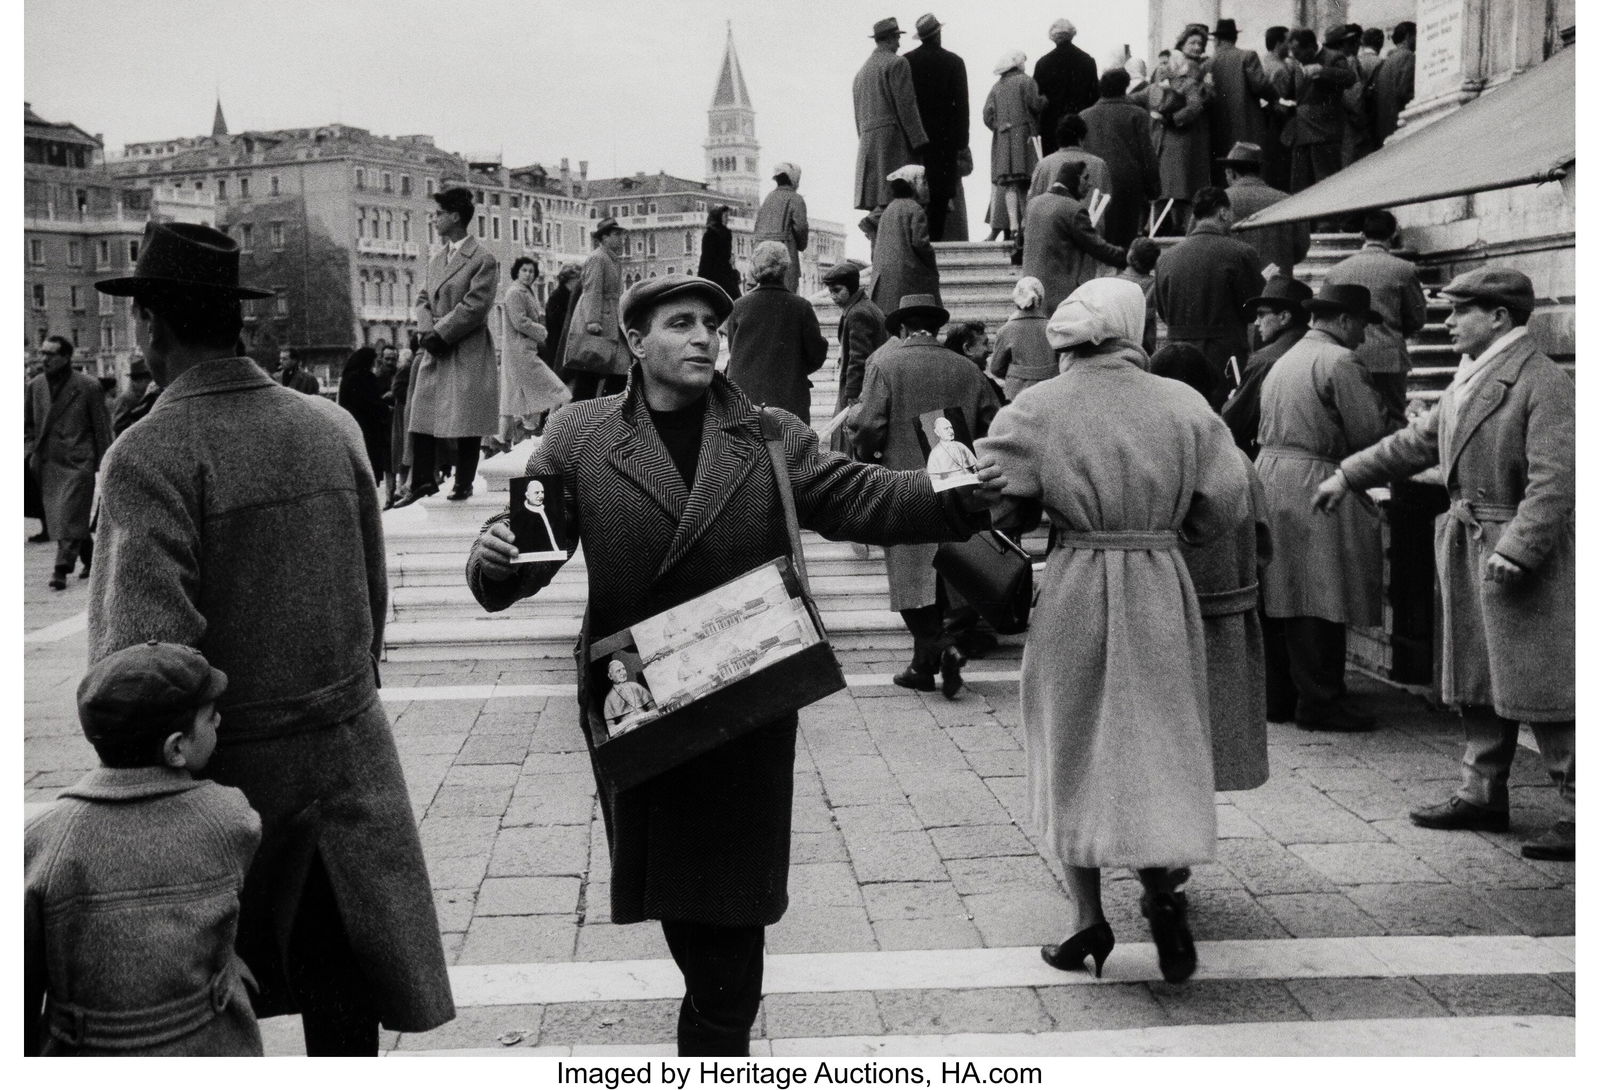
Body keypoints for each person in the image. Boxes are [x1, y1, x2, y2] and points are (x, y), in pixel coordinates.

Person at [466, 273, 1001, 1056]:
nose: (702, 337)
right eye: (679, 323)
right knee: (690, 917)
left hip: (747, 700)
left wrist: (953, 488)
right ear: (636, 341)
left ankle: (714, 1051)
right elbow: (532, 554)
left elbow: (864, 497)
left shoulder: (766, 430)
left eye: (712, 323)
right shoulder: (578, 434)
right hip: (641, 701)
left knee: (733, 927)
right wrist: (497, 555)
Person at [89, 220, 455, 1055]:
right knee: (344, 1000)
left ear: (150, 325)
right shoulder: (332, 429)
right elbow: (373, 601)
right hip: (347, 764)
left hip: (229, 789)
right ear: (236, 321)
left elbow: (145, 670)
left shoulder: (149, 455)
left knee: (205, 1017)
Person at [979, 277, 1250, 986]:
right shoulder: (1184, 404)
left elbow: (998, 507)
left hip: (1076, 582)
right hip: (1160, 579)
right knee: (1156, 735)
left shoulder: (1037, 407)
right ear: (1135, 329)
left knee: (1072, 739)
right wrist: (1167, 529)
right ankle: (1161, 891)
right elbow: (1225, 500)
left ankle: (1085, 920)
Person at [1315, 267, 1573, 861]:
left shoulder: (1543, 383)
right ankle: (1481, 791)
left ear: (1499, 318)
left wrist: (1519, 549)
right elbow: (1415, 444)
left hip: (1512, 553)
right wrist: (1348, 474)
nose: (1448, 322)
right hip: (1474, 544)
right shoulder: (1471, 376)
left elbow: (1556, 482)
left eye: (1460, 312)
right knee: (1477, 677)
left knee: (1543, 683)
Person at [25, 642, 261, 1056]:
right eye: (210, 715)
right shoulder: (229, 816)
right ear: (175, 748)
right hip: (209, 1043)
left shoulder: (43, 841)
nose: (220, 718)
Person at [1255, 282, 1394, 732]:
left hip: (1273, 477)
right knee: (1320, 593)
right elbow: (1368, 434)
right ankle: (1321, 702)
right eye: (1362, 327)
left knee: (1281, 593)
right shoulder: (1340, 360)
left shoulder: (1287, 355)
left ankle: (1280, 696)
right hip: (1314, 480)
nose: (1364, 338)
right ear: (1346, 321)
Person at [851, 293, 1002, 699]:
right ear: (935, 329)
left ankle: (940, 647)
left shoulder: (885, 363)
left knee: (909, 578)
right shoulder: (967, 368)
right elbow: (994, 423)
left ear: (901, 328)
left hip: (904, 486)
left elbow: (867, 426)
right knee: (946, 571)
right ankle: (923, 667)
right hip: (958, 486)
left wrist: (865, 456)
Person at [1150, 343, 1272, 796]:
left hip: (1162, 611)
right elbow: (1262, 544)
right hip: (1224, 617)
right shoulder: (1234, 458)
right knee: (1210, 741)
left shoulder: (1152, 455)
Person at [399, 186, 500, 505]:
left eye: (439, 214)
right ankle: (424, 480)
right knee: (423, 410)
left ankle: (464, 481)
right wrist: (427, 331)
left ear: (456, 217)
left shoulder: (483, 258)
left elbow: (475, 305)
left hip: (465, 345)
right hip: (436, 346)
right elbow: (423, 298)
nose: (434, 219)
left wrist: (440, 333)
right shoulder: (437, 257)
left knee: (466, 415)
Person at [1153, 186, 1264, 406]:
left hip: (1176, 353)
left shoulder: (1166, 258)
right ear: (1223, 212)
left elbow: (1163, 312)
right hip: (1224, 354)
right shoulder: (1241, 253)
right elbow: (1252, 309)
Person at [1322, 209, 1428, 424]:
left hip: (1344, 355)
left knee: (1351, 419)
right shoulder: (1404, 269)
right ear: (1393, 234)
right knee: (1393, 418)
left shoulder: (1336, 271)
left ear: (1362, 235)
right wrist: (1395, 331)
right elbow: (1417, 318)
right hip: (1389, 357)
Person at [25, 335, 112, 590]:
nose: (44, 359)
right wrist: (31, 452)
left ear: (66, 357)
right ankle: (92, 558)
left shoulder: (88, 385)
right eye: (42, 353)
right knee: (68, 518)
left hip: (78, 462)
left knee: (69, 515)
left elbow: (101, 427)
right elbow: (28, 425)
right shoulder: (35, 386)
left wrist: (105, 461)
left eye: (51, 354)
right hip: (48, 462)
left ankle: (61, 568)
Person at [724, 241, 828, 420]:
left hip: (745, 403)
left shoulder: (738, 307)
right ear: (785, 268)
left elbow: (734, 350)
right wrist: (793, 369)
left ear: (755, 270)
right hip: (789, 402)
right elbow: (816, 355)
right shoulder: (801, 307)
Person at [1220, 275, 1313, 458]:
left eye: (1262, 314)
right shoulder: (1324, 350)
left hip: (1278, 459)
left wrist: (1234, 399)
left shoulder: (1264, 360)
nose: (1256, 322)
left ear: (1284, 317)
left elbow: (1233, 422)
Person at [1022, 160, 1129, 313]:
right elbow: (1097, 247)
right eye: (1085, 178)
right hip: (1060, 299)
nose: (1090, 184)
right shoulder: (1074, 210)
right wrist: (1128, 256)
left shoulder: (1033, 204)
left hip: (1030, 294)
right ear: (1074, 179)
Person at [904, 13, 970, 241]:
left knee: (917, 190)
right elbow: (962, 105)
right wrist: (962, 141)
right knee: (941, 194)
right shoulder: (955, 62)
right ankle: (937, 239)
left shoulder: (908, 61)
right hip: (946, 139)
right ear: (938, 33)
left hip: (916, 137)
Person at [853, 17, 930, 213]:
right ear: (890, 38)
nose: (899, 43)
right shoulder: (898, 63)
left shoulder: (861, 73)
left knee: (877, 204)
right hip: (893, 145)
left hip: (868, 147)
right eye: (897, 38)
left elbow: (857, 117)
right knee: (897, 202)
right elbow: (907, 106)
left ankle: (875, 239)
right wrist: (920, 142)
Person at [1080, 68, 1160, 247]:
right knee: (1125, 238)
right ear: (1125, 86)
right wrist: (1154, 187)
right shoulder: (1137, 114)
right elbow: (1147, 153)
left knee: (1097, 236)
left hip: (1094, 182)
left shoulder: (1084, 116)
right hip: (1129, 182)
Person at [496, 256, 571, 448]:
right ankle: (550, 435)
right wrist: (542, 331)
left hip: (524, 352)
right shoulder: (515, 292)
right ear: (517, 272)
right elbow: (520, 322)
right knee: (559, 391)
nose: (528, 275)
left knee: (526, 400)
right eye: (524, 270)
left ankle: (519, 440)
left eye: (531, 271)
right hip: (521, 353)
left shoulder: (525, 291)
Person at [1278, 28, 1358, 194]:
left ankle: (1329, 221)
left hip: (1324, 134)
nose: (1295, 56)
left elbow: (1350, 78)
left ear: (1312, 46)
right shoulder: (1297, 63)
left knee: (1326, 184)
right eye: (1293, 52)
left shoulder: (1333, 57)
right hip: (1301, 134)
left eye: (1298, 52)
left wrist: (1322, 71)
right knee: (1301, 187)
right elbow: (1290, 93)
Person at [1152, 27, 1215, 235]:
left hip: (1194, 130)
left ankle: (1181, 225)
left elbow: (1204, 100)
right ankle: (1172, 224)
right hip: (1174, 130)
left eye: (1201, 44)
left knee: (1187, 179)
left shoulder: (1205, 67)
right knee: (1175, 180)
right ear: (1183, 44)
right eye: (1193, 43)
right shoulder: (1169, 63)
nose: (1197, 47)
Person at [822, 260, 888, 453]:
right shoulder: (862, 307)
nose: (833, 296)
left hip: (857, 389)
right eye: (830, 291)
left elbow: (858, 358)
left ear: (850, 288)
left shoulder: (858, 313)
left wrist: (851, 393)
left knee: (847, 443)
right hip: (863, 386)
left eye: (837, 290)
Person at [983, 49, 1045, 254]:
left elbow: (987, 115)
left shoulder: (996, 87)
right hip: (1024, 137)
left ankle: (1013, 225)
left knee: (1009, 184)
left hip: (1003, 141)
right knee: (1026, 183)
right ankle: (1026, 223)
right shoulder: (1026, 82)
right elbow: (1035, 104)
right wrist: (1045, 101)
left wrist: (999, 126)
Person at [562, 217, 631, 400]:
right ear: (604, 237)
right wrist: (593, 321)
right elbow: (592, 290)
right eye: (616, 234)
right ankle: (583, 417)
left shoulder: (611, 259)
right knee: (590, 371)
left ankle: (608, 411)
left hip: (611, 319)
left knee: (619, 369)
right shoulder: (598, 258)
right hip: (598, 322)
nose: (621, 238)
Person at [1223, 141, 1309, 278]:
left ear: (1231, 173)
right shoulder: (1288, 201)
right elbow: (1300, 249)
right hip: (1278, 290)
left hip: (1233, 290)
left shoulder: (1217, 201)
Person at [1207, 19, 1276, 187]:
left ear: (1217, 40)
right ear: (1234, 38)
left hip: (1218, 130)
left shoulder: (1208, 63)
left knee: (1224, 176)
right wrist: (1276, 97)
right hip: (1247, 126)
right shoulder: (1247, 56)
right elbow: (1260, 85)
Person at [868, 165, 942, 312]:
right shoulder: (915, 209)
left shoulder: (889, 209)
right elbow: (920, 243)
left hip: (886, 280)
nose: (927, 187)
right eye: (924, 182)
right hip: (908, 279)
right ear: (913, 184)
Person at [1033, 18, 1099, 155]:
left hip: (1052, 126)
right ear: (1072, 34)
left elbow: (1037, 99)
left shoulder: (1043, 63)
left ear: (1053, 36)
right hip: (1081, 122)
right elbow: (1095, 94)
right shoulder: (1087, 61)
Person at [988, 275, 1054, 400]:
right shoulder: (1052, 328)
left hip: (1017, 394)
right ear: (1041, 300)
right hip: (1050, 392)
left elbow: (996, 368)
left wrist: (1017, 373)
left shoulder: (1006, 330)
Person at [752, 163, 810, 294]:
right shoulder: (796, 198)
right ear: (793, 179)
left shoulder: (768, 198)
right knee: (786, 294)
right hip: (786, 252)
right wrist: (800, 245)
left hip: (762, 254)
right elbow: (801, 228)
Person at [1028, 114, 1110, 206]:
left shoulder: (1044, 164)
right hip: (1090, 219)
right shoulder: (1099, 164)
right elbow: (1107, 201)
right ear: (1081, 139)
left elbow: (1032, 201)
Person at [1327, 24, 1379, 167]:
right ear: (1349, 43)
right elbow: (1353, 98)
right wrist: (1362, 121)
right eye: (1356, 43)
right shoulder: (1350, 62)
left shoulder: (1330, 61)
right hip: (1352, 126)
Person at [336, 346, 390, 484]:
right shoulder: (366, 377)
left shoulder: (347, 377)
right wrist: (386, 408)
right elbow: (372, 402)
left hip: (352, 425)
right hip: (369, 427)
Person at [1259, 26, 1295, 190]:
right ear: (1278, 43)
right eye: (1288, 42)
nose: (1291, 46)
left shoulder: (1264, 62)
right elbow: (1280, 104)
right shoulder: (1280, 69)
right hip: (1279, 126)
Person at [1372, 22, 1416, 146]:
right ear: (1408, 36)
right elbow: (1405, 91)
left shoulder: (1387, 61)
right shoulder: (1408, 56)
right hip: (1400, 125)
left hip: (1385, 127)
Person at [1116, 237, 1161, 355]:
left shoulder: (1112, 282)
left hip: (1117, 347)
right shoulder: (1155, 285)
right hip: (1144, 350)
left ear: (1130, 255)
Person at [696, 207, 742, 302]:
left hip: (721, 275)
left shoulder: (722, 234)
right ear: (718, 217)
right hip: (718, 276)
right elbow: (707, 259)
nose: (727, 219)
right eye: (725, 216)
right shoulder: (712, 235)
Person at [543, 262, 583, 364]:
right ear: (570, 280)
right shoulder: (556, 297)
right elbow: (558, 320)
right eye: (578, 279)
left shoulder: (574, 296)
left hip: (569, 345)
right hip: (558, 345)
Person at [603, 658, 656, 732]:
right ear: (610, 676)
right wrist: (627, 725)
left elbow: (653, 707)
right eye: (618, 671)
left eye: (623, 669)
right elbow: (610, 727)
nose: (623, 673)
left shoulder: (636, 686)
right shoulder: (610, 698)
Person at [110, 357, 154, 432]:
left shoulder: (148, 396)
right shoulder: (126, 398)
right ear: (137, 381)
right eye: (148, 380)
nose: (150, 383)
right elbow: (118, 425)